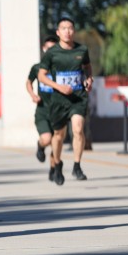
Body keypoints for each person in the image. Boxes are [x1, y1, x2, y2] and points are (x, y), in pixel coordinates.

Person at [38, 17, 93, 185]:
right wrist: (58, 86)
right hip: (59, 100)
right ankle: (58, 162)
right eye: (63, 28)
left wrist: (89, 79)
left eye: (70, 28)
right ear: (58, 32)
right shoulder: (51, 53)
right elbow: (41, 75)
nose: (67, 31)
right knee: (58, 135)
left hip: (78, 98)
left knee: (77, 129)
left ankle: (77, 166)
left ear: (74, 31)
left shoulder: (82, 50)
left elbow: (87, 68)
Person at [26, 35, 59, 180]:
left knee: (56, 143)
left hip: (59, 112)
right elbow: (28, 82)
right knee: (47, 139)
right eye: (48, 48)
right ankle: (40, 146)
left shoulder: (61, 69)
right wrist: (33, 95)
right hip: (43, 111)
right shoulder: (37, 67)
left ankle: (53, 169)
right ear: (44, 49)